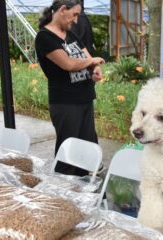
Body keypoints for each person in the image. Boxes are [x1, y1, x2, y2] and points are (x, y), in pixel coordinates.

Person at [35, 0, 105, 176]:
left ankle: (83, 191)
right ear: (62, 10)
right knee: (69, 151)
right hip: (65, 102)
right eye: (74, 14)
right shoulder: (45, 38)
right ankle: (64, 191)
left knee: (86, 149)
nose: (75, 20)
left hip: (85, 98)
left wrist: (95, 69)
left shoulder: (71, 35)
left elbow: (87, 57)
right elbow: (69, 64)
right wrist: (93, 61)